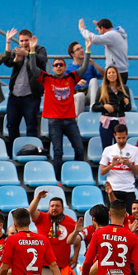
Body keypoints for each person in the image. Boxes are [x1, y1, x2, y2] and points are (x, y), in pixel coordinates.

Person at [28, 36, 91, 179]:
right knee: (58, 152)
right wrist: (32, 51)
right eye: (55, 65)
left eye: (61, 64)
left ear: (65, 67)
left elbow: (85, 67)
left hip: (70, 121)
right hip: (54, 121)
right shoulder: (47, 79)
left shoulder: (71, 78)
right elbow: (33, 68)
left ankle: (79, 176)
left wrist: (87, 51)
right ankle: (58, 179)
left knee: (80, 149)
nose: (58, 66)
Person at [28, 190, 76, 275]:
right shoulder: (41, 218)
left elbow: (77, 240)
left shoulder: (70, 222)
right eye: (52, 206)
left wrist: (75, 256)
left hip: (63, 267)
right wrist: (38, 197)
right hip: (45, 267)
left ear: (63, 208)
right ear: (48, 207)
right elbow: (31, 211)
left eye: (57, 206)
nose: (54, 208)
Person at [3, 29, 47, 142]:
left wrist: (28, 54)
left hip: (31, 97)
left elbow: (42, 60)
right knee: (11, 126)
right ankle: (13, 152)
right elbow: (7, 62)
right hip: (14, 96)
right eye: (21, 41)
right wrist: (8, 43)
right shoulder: (17, 50)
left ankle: (32, 151)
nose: (24, 43)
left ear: (32, 39)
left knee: (31, 127)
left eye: (26, 40)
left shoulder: (40, 49)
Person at [99, 124, 138, 213]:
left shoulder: (134, 150)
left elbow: (137, 172)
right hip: (113, 188)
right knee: (114, 215)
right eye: (119, 138)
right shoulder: (108, 150)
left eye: (123, 138)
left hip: (128, 189)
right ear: (114, 136)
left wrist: (128, 164)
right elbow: (102, 172)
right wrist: (112, 165)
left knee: (129, 217)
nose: (121, 140)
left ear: (127, 135)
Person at [92, 66, 131, 149]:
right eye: (109, 73)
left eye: (113, 72)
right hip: (106, 122)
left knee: (121, 147)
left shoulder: (125, 89)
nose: (111, 74)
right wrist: (104, 106)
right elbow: (94, 107)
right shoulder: (101, 89)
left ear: (117, 74)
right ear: (106, 76)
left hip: (120, 121)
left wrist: (126, 104)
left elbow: (128, 108)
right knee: (107, 148)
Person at [79, 18, 128, 83]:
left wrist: (82, 29)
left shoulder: (112, 35)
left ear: (102, 28)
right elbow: (104, 37)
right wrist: (100, 28)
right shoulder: (118, 33)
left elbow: (94, 39)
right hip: (121, 71)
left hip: (116, 73)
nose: (98, 32)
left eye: (98, 29)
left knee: (111, 93)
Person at [67, 40, 104, 116]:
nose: (81, 50)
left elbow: (104, 75)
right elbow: (62, 84)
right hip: (76, 95)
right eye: (78, 49)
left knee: (93, 80)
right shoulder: (68, 68)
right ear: (72, 54)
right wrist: (74, 82)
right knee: (80, 95)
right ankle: (78, 122)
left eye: (81, 48)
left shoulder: (90, 65)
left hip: (90, 95)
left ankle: (93, 109)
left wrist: (94, 64)